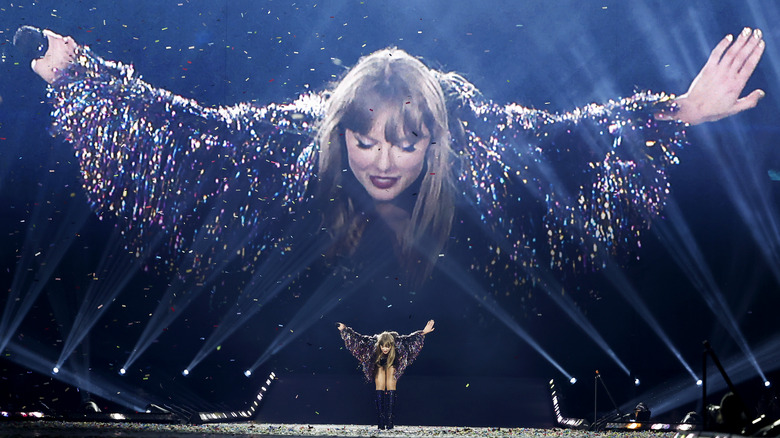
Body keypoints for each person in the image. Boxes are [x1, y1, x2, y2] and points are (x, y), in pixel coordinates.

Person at [25, 27, 765, 291]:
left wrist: (683, 110)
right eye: (367, 140)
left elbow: (565, 133)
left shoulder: (472, 130)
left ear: (434, 143)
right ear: (340, 132)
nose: (384, 161)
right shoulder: (302, 131)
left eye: (405, 144)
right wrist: (82, 75)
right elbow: (194, 126)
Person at [337, 320, 435, 429]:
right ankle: (380, 421)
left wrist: (423, 332)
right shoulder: (373, 342)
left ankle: (390, 421)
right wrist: (345, 329)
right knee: (380, 384)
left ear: (391, 345)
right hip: (379, 363)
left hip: (393, 363)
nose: (385, 349)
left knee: (391, 384)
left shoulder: (398, 342)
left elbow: (410, 339)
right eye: (382, 346)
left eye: (387, 347)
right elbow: (358, 338)